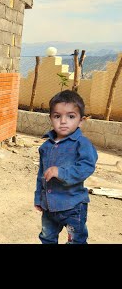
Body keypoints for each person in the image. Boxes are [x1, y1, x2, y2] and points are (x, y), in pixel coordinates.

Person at [34, 90, 98, 244]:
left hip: (73, 206)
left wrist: (61, 172)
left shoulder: (82, 144)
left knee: (76, 240)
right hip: (49, 206)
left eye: (70, 116)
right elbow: (41, 175)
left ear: (80, 121)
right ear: (50, 118)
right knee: (47, 237)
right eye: (57, 116)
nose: (63, 121)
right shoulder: (46, 146)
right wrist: (38, 197)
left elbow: (87, 166)